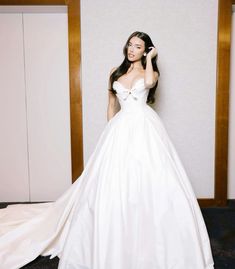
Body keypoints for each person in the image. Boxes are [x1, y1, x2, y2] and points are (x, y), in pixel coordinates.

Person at [0, 31, 214, 269]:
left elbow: (151, 83)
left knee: (151, 176)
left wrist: (152, 59)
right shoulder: (115, 72)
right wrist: (110, 133)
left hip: (145, 125)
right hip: (120, 127)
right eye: (130, 45)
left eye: (138, 46)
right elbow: (111, 106)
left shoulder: (149, 72)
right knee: (112, 181)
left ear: (145, 50)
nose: (132, 49)